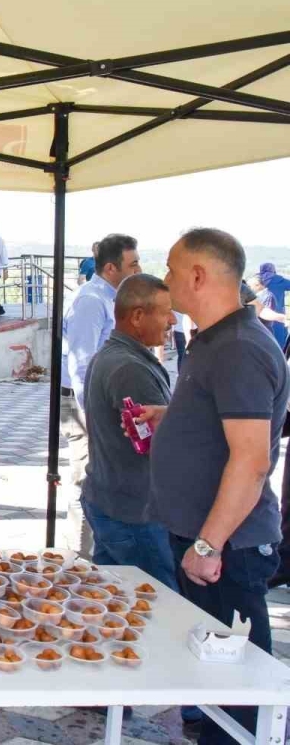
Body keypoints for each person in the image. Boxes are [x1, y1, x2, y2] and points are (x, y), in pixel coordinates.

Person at [139, 228, 287, 745]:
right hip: (208, 540)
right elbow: (221, 422)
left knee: (239, 678)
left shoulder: (240, 348)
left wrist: (208, 544)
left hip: (229, 548)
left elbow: (250, 462)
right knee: (211, 669)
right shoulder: (217, 339)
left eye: (173, 269)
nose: (166, 280)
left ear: (198, 275)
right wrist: (173, 418)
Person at [81, 274, 178, 589]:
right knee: (157, 608)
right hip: (135, 514)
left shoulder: (115, 356)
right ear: (138, 316)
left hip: (113, 503)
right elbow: (157, 445)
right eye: (166, 312)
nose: (172, 320)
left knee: (111, 601)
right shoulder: (129, 368)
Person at [60, 234, 142, 558]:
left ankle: (97, 555)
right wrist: (92, 414)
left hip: (96, 402)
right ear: (111, 267)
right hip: (82, 404)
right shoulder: (91, 300)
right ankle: (78, 562)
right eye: (132, 263)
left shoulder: (109, 298)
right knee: (85, 478)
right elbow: (81, 362)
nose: (138, 269)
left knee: (101, 477)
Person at [250, 272, 288, 352]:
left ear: (258, 285)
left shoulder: (267, 296)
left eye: (251, 286)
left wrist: (283, 318)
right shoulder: (258, 296)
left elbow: (264, 312)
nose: (249, 288)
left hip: (264, 331)